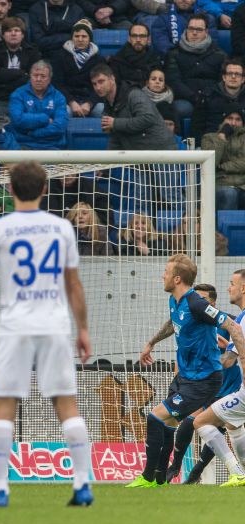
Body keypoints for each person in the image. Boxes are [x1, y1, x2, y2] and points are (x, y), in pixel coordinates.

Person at [0, 160, 92, 507]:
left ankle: (1, 489)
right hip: (53, 324)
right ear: (45, 189)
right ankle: (82, 483)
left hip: (15, 326)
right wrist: (83, 329)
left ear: (10, 188)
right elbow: (73, 283)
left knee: (4, 403)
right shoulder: (62, 228)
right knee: (66, 403)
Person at [127, 256, 245, 488]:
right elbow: (173, 322)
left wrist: (242, 359)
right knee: (169, 423)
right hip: (186, 376)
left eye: (166, 271)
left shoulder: (197, 304)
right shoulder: (175, 301)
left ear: (177, 278)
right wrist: (151, 343)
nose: (163, 275)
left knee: (156, 417)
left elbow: (231, 325)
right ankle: (161, 476)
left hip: (204, 379)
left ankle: (149, 477)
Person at [164, 281, 244, 484]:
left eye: (203, 299)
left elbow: (230, 360)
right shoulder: (194, 321)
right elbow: (183, 352)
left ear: (213, 303)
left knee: (213, 424)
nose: (198, 302)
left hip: (228, 388)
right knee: (190, 423)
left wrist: (228, 350)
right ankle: (176, 466)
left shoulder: (230, 323)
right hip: (203, 387)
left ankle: (196, 473)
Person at [91, 64, 176, 151]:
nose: (98, 87)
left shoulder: (134, 94)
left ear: (112, 79)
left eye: (101, 81)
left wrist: (115, 123)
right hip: (141, 155)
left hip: (161, 154)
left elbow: (148, 118)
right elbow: (116, 138)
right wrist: (106, 161)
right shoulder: (108, 104)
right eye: (94, 84)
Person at [163, 13, 226, 127]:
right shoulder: (174, 53)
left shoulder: (220, 54)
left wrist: (208, 95)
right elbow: (174, 82)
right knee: (181, 109)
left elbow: (222, 80)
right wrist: (194, 97)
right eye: (191, 28)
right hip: (185, 98)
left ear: (206, 32)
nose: (194, 32)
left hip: (212, 97)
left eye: (199, 29)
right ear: (186, 30)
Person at [8, 60, 68, 150]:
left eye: (43, 76)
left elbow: (59, 127)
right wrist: (45, 119)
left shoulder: (58, 97)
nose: (38, 79)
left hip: (52, 147)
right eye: (35, 75)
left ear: (49, 79)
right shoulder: (18, 94)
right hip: (24, 146)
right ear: (30, 76)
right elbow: (18, 120)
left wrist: (33, 133)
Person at [52, 19, 104, 118]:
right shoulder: (60, 56)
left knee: (101, 110)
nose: (80, 39)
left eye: (84, 36)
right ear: (72, 37)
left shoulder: (98, 59)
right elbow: (57, 84)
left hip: (90, 100)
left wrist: (89, 103)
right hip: (67, 100)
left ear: (90, 38)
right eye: (76, 36)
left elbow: (101, 85)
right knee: (64, 113)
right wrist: (71, 102)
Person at [201, 106, 245, 211]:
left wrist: (222, 167)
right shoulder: (209, 138)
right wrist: (221, 138)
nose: (233, 123)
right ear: (223, 120)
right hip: (221, 183)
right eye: (230, 118)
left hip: (243, 183)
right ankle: (220, 227)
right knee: (229, 194)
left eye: (238, 119)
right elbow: (211, 164)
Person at [192, 59, 245, 140]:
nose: (233, 77)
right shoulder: (208, 95)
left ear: (243, 79)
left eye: (237, 74)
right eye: (230, 73)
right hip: (212, 142)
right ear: (224, 77)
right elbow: (197, 126)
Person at [151, 0, 216, 56]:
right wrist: (179, 57)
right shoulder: (163, 18)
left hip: (201, 59)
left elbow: (211, 43)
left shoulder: (207, 18)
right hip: (174, 60)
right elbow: (161, 44)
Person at [108, 24, 163, 88]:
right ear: (129, 38)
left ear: (149, 39)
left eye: (142, 36)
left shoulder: (155, 59)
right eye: (134, 36)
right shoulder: (117, 60)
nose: (138, 39)